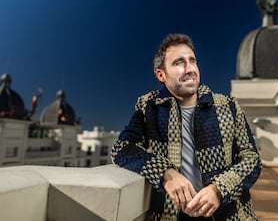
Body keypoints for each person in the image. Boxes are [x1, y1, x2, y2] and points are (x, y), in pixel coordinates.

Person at [111, 33, 262, 220]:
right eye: (179, 63)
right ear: (161, 75)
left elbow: (251, 159)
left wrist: (219, 190)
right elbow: (121, 149)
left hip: (229, 213)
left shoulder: (228, 105)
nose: (190, 69)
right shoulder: (149, 106)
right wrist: (166, 173)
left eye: (192, 61)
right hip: (171, 215)